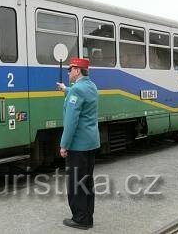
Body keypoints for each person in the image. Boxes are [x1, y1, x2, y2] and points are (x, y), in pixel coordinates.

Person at [56, 57, 100, 230]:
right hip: (91, 143)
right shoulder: (91, 87)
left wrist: (64, 145)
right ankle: (88, 217)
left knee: (76, 183)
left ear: (77, 70)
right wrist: (66, 89)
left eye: (70, 69)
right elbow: (80, 94)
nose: (68, 72)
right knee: (87, 181)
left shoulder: (77, 91)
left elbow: (71, 122)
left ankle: (79, 219)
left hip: (78, 146)